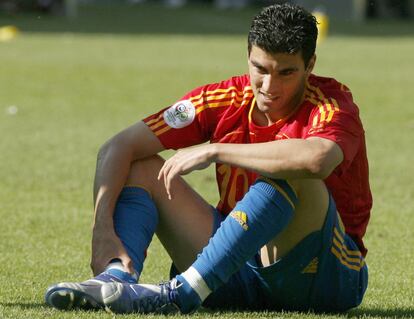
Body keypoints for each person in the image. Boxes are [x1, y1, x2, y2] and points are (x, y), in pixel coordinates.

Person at [45, 3, 372, 314]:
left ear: (310, 66)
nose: (270, 86)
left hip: (320, 277)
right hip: (231, 271)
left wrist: (214, 149)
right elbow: (116, 147)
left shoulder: (332, 104)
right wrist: (102, 232)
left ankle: (179, 295)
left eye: (286, 73)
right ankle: (114, 279)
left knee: (294, 169)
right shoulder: (225, 98)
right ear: (248, 56)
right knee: (140, 165)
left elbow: (317, 160)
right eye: (261, 69)